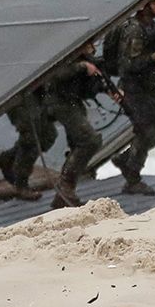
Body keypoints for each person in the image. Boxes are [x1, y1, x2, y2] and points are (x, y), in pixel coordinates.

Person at [104, 0, 155, 196]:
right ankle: (133, 178)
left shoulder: (152, 28)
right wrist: (153, 57)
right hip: (133, 89)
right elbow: (129, 64)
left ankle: (126, 159)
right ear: (143, 8)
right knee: (145, 130)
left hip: (148, 87)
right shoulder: (134, 31)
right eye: (154, 3)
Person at [43, 41, 113, 208]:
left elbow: (87, 88)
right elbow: (54, 74)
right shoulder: (66, 53)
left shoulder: (86, 58)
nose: (93, 46)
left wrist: (107, 89)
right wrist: (81, 66)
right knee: (89, 140)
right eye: (89, 43)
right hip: (59, 102)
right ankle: (65, 188)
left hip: (72, 102)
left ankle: (64, 194)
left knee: (79, 143)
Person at [0, 85, 53, 201]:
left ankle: (7, 158)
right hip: (16, 91)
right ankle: (21, 184)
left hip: (34, 90)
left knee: (48, 134)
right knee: (30, 136)